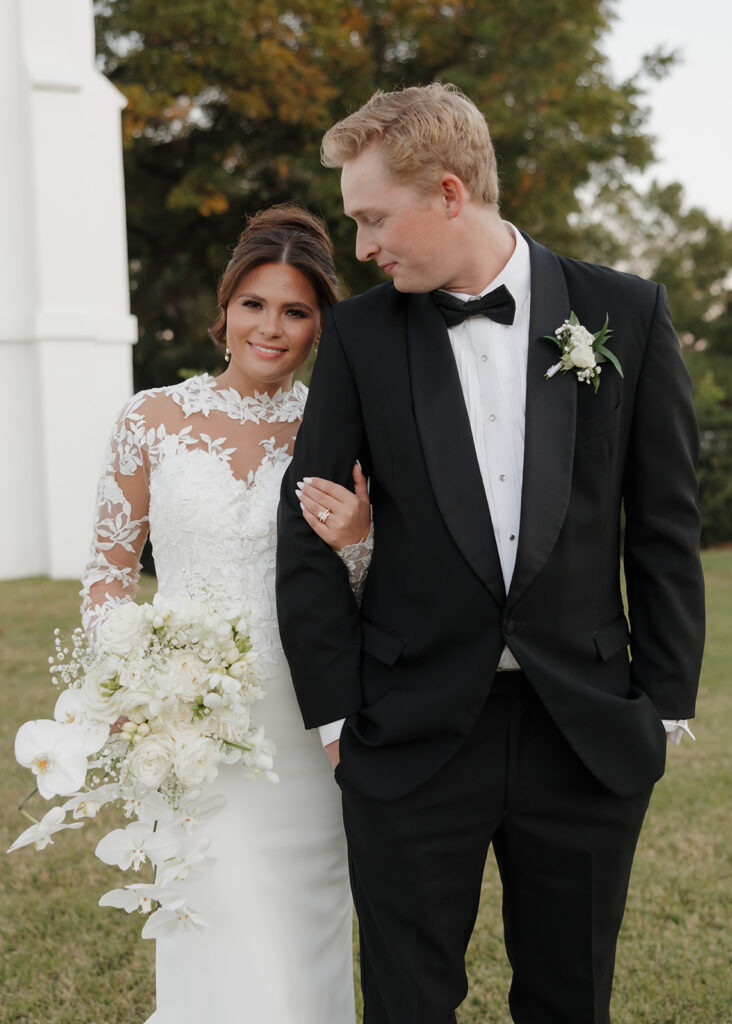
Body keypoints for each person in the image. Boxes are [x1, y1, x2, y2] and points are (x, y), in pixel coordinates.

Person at [276, 84, 705, 1024]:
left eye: (374, 218)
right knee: (408, 1002)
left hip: (584, 731)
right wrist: (337, 720)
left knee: (569, 998)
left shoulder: (623, 314)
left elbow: (667, 526)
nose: (362, 248)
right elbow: (304, 532)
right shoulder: (358, 336)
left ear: (450, 191)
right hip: (409, 730)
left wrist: (663, 709)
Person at [81, 205, 372, 1024]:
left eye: (296, 311)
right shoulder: (150, 420)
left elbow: (372, 590)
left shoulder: (340, 426)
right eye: (255, 303)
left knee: (299, 936)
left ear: (322, 326)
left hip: (305, 722)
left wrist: (357, 538)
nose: (270, 328)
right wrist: (130, 684)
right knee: (213, 923)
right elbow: (107, 576)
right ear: (225, 308)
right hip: (186, 726)